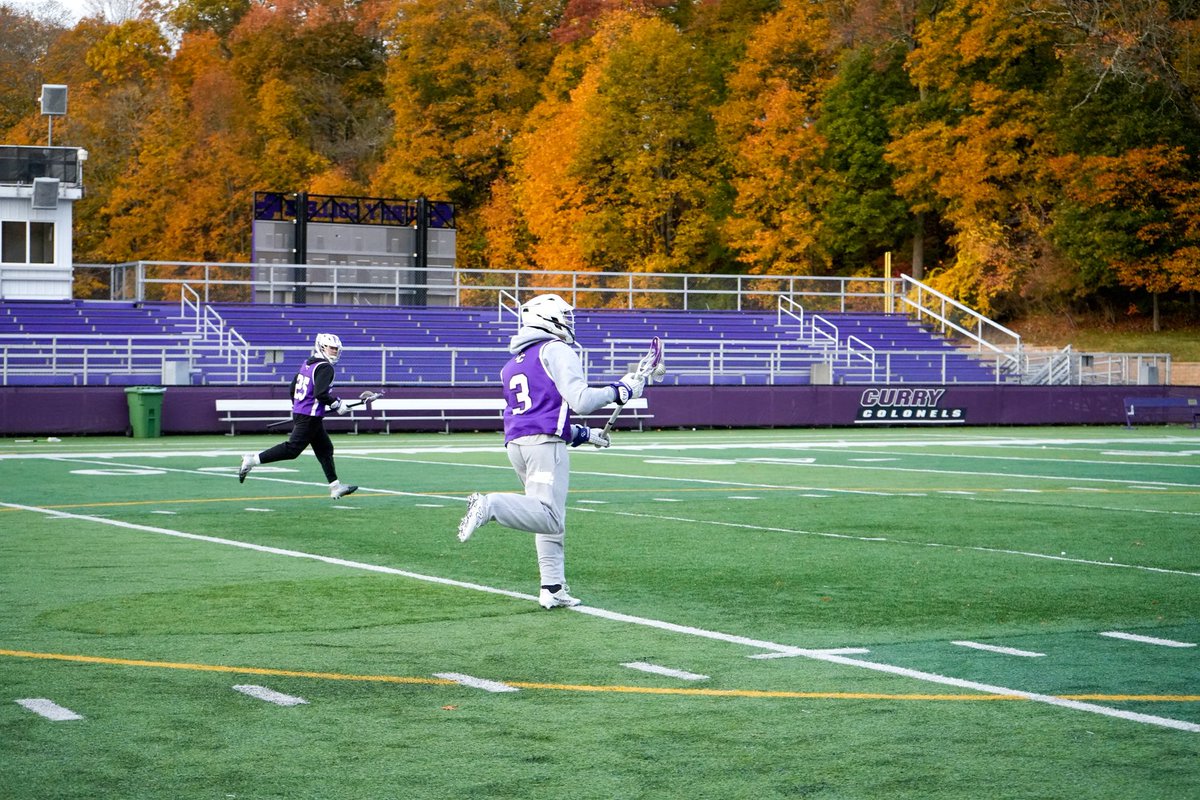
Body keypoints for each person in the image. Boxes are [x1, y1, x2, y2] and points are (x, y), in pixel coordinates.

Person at [456, 293, 646, 609]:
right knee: (550, 517)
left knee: (546, 512)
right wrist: (620, 390)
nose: (569, 322)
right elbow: (581, 401)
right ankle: (490, 506)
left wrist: (586, 435)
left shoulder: (513, 363)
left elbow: (543, 414)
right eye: (564, 315)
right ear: (546, 318)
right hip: (543, 445)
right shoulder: (556, 350)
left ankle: (552, 588)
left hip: (518, 444)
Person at [237, 332, 359, 499]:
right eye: (331, 348)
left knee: (325, 449)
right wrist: (338, 404)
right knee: (292, 449)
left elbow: (293, 387)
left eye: (337, 349)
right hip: (309, 416)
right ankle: (252, 460)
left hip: (305, 414)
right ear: (322, 347)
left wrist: (298, 406)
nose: (335, 352)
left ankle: (335, 487)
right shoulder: (325, 367)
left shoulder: (309, 363)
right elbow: (320, 394)